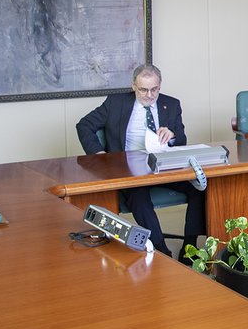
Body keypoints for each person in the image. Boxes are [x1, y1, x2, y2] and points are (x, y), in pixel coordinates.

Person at [75, 64, 204, 257]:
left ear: (160, 86)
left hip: (164, 166)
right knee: (139, 197)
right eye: (143, 89)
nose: (149, 95)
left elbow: (181, 139)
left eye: (154, 89)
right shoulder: (115, 103)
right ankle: (161, 250)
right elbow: (83, 125)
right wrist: (100, 154)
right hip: (129, 168)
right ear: (134, 86)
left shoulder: (172, 104)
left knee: (199, 188)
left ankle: (190, 248)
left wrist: (173, 136)